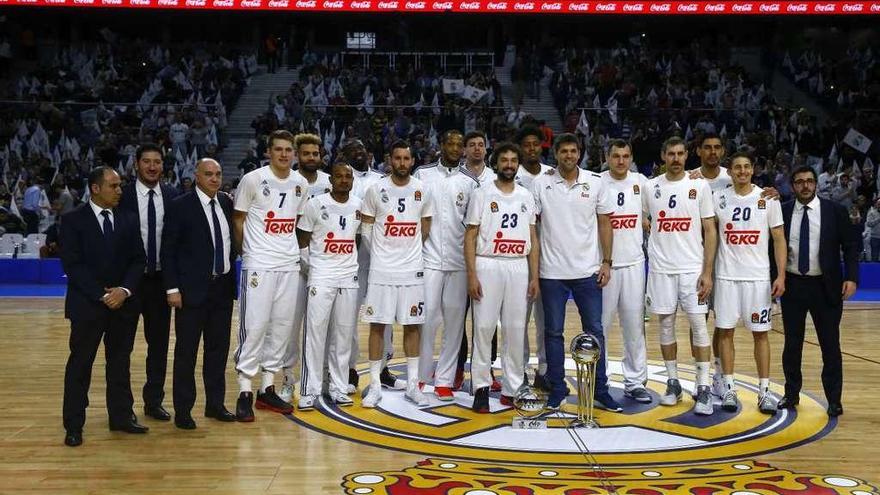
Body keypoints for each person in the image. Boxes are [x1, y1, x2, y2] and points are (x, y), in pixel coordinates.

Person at [531, 133, 620, 412]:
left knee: (595, 332)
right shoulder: (540, 183)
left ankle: (599, 389)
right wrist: (534, 272)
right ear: (555, 154)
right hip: (551, 272)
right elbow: (533, 229)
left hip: (588, 270)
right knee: (553, 332)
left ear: (579, 153)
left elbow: (605, 223)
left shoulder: (596, 182)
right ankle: (557, 388)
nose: (569, 155)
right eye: (564, 151)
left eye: (573, 151)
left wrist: (607, 261)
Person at [60, 167, 147, 447]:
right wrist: (102, 295)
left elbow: (138, 260)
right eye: (113, 186)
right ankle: (74, 425)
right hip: (87, 305)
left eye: (120, 185)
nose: (119, 190)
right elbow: (73, 265)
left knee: (120, 363)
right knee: (80, 365)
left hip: (123, 304)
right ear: (95, 189)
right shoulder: (73, 220)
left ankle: (121, 417)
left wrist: (123, 291)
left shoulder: (129, 219)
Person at [232, 130, 310, 421]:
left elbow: (297, 221)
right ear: (269, 151)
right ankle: (244, 390)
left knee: (281, 328)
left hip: (288, 264)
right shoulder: (252, 179)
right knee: (254, 326)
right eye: (278, 149)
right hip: (259, 264)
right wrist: (247, 253)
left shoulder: (300, 183)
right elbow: (238, 219)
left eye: (289, 150)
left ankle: (267, 388)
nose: (284, 154)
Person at [776, 165, 859, 417]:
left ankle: (834, 399)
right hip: (792, 285)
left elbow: (851, 246)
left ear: (816, 184)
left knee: (830, 345)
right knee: (792, 344)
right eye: (799, 182)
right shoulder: (783, 211)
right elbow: (773, 248)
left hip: (826, 286)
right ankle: (791, 394)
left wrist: (852, 278)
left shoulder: (835, 211)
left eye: (809, 181)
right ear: (792, 185)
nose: (805, 186)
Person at [643, 136, 717, 416]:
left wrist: (707, 272)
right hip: (661, 269)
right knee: (665, 326)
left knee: (699, 325)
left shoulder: (699, 186)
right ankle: (672, 384)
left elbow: (710, 230)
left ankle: (704, 386)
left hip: (691, 269)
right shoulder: (650, 187)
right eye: (670, 153)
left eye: (680, 153)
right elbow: (640, 216)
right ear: (663, 156)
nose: (675, 158)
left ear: (687, 156)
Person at [161, 159, 237, 429]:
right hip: (191, 292)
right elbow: (168, 250)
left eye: (218, 174)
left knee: (218, 351)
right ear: (196, 176)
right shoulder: (180, 206)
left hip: (222, 289)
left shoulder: (227, 203)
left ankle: (215, 404)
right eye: (209, 174)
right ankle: (183, 410)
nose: (214, 179)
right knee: (186, 353)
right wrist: (172, 288)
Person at [465, 143, 540, 412]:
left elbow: (533, 237)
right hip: (488, 264)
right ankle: (481, 388)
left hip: (518, 265)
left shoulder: (526, 196)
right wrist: (472, 275)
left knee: (515, 330)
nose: (509, 164)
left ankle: (512, 388)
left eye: (513, 160)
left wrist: (535, 277)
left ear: (518, 164)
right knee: (484, 329)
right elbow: (470, 235)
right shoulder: (482, 193)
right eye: (504, 160)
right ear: (496, 163)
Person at [712, 152, 787, 414]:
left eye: (746, 167)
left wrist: (781, 275)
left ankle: (765, 391)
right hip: (726, 277)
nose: (742, 171)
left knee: (761, 334)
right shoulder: (718, 197)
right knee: (725, 332)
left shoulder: (767, 198)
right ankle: (729, 388)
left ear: (753, 170)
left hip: (758, 277)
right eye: (737, 168)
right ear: (729, 172)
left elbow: (778, 238)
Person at [360, 140, 433, 408]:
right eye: (397, 158)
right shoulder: (375, 189)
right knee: (378, 325)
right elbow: (366, 227)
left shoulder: (422, 190)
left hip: (412, 270)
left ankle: (413, 385)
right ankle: (376, 386)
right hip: (381, 271)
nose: (402, 163)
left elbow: (425, 226)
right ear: (390, 160)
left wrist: (407, 251)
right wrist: (381, 253)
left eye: (406, 158)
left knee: (413, 325)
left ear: (412, 161)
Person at [413, 129, 478, 400]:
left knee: (454, 323)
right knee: (426, 319)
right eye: (449, 143)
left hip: (459, 261)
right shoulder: (422, 174)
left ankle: (445, 379)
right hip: (428, 258)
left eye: (457, 144)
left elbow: (474, 225)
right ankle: (421, 376)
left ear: (462, 149)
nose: (453, 148)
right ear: (440, 145)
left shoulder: (471, 181)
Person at [118, 143, 179, 422]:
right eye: (147, 161)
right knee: (122, 347)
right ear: (136, 165)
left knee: (158, 346)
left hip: (159, 282)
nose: (152, 166)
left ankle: (153, 402)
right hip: (128, 283)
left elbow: (176, 242)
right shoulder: (122, 195)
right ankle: (122, 407)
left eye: (157, 162)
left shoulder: (171, 195)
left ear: (162, 166)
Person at [297, 162, 362, 409]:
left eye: (348, 176)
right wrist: (312, 268)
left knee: (344, 335)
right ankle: (309, 390)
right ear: (331, 180)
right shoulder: (315, 205)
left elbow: (356, 239)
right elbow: (302, 240)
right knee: (315, 334)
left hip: (348, 277)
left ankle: (337, 386)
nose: (344, 180)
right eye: (339, 176)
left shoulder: (358, 206)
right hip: (321, 276)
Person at [338, 138, 399, 391]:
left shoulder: (381, 180)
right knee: (348, 316)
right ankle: (349, 369)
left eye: (362, 149)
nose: (359, 153)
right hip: (349, 257)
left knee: (384, 313)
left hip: (379, 255)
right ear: (344, 155)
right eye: (353, 150)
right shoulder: (340, 180)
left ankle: (384, 367)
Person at [279, 133, 331, 404]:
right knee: (291, 324)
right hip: (293, 262)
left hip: (324, 265)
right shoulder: (289, 183)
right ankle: (288, 379)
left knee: (323, 325)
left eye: (316, 154)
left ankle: (321, 379)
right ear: (298, 155)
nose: (312, 158)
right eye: (307, 154)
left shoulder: (329, 182)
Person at [599, 140, 651, 404]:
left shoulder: (641, 182)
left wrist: (693, 175)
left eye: (626, 156)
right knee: (601, 328)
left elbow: (671, 188)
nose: (621, 161)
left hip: (633, 264)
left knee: (633, 327)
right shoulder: (596, 182)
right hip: (604, 266)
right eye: (616, 156)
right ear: (606, 157)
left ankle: (635, 381)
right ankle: (600, 381)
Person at [514, 125, 554, 389]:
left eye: (535, 144)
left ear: (541, 146)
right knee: (519, 319)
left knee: (546, 320)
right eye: (526, 144)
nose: (531, 148)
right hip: (518, 256)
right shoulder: (510, 175)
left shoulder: (553, 174)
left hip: (549, 256)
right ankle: (520, 372)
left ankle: (544, 370)